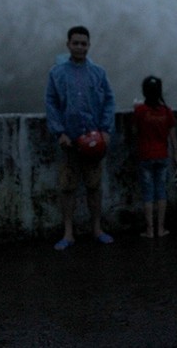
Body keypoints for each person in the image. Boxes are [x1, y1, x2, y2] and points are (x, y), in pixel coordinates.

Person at [45, 25, 116, 251]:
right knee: (68, 187)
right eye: (75, 43)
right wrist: (59, 132)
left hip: (94, 139)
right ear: (68, 45)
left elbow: (109, 102)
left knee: (94, 186)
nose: (79, 47)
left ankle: (97, 229)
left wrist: (106, 130)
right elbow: (51, 103)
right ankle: (68, 232)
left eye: (83, 43)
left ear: (88, 45)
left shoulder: (98, 73)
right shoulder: (56, 73)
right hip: (69, 142)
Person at [133, 76, 177, 238]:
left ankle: (149, 229)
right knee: (161, 192)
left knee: (148, 194)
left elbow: (135, 130)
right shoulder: (166, 111)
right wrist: (176, 156)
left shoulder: (140, 111)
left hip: (145, 155)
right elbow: (173, 137)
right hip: (162, 155)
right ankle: (161, 229)